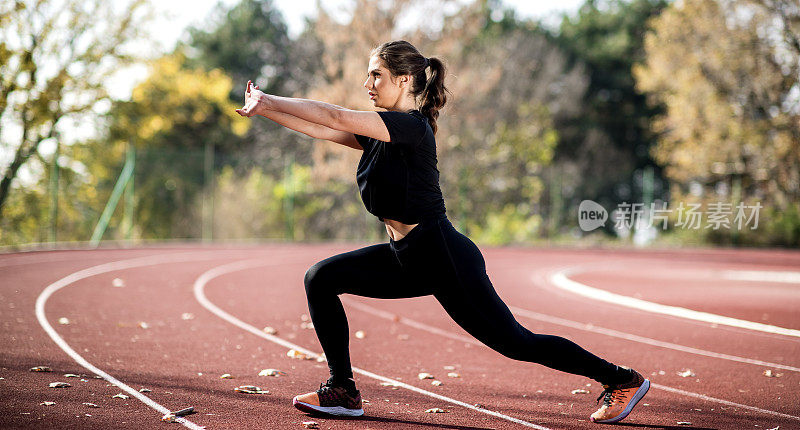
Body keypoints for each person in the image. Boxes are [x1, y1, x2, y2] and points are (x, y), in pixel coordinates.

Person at [235, 40, 649, 424]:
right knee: (321, 278)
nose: (367, 84)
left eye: (375, 75)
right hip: (406, 257)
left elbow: (334, 116)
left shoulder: (412, 128)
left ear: (404, 80)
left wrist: (271, 97)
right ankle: (343, 390)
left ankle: (621, 378)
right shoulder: (380, 133)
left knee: (517, 343)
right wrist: (264, 110)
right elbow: (325, 129)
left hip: (442, 255)